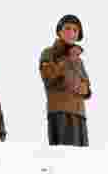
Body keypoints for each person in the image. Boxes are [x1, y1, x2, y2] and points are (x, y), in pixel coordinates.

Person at [39, 14, 92, 146]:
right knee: (63, 156)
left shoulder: (79, 61)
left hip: (79, 114)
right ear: (59, 31)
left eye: (75, 30)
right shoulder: (49, 52)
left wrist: (85, 89)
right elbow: (48, 77)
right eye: (67, 28)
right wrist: (67, 59)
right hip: (60, 113)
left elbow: (86, 83)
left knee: (81, 157)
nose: (71, 33)